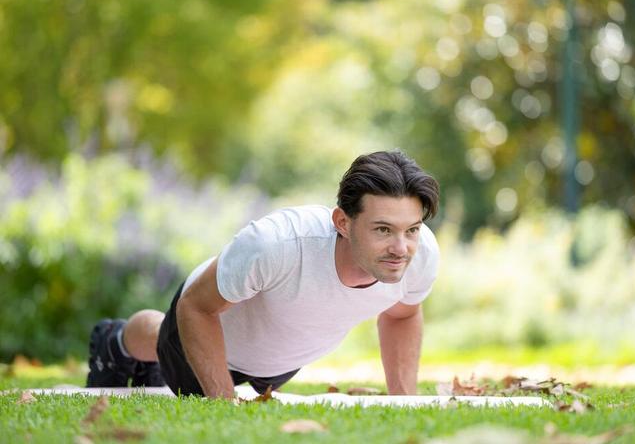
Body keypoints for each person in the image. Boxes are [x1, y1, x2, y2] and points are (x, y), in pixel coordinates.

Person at [86, 150, 440, 398]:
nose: (401, 248)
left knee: (256, 367)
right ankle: (114, 341)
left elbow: (403, 314)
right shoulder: (277, 243)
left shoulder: (419, 252)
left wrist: (403, 400)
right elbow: (196, 306)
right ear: (343, 222)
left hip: (281, 355)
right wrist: (223, 403)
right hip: (206, 328)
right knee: (163, 340)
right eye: (382, 230)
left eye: (411, 229)